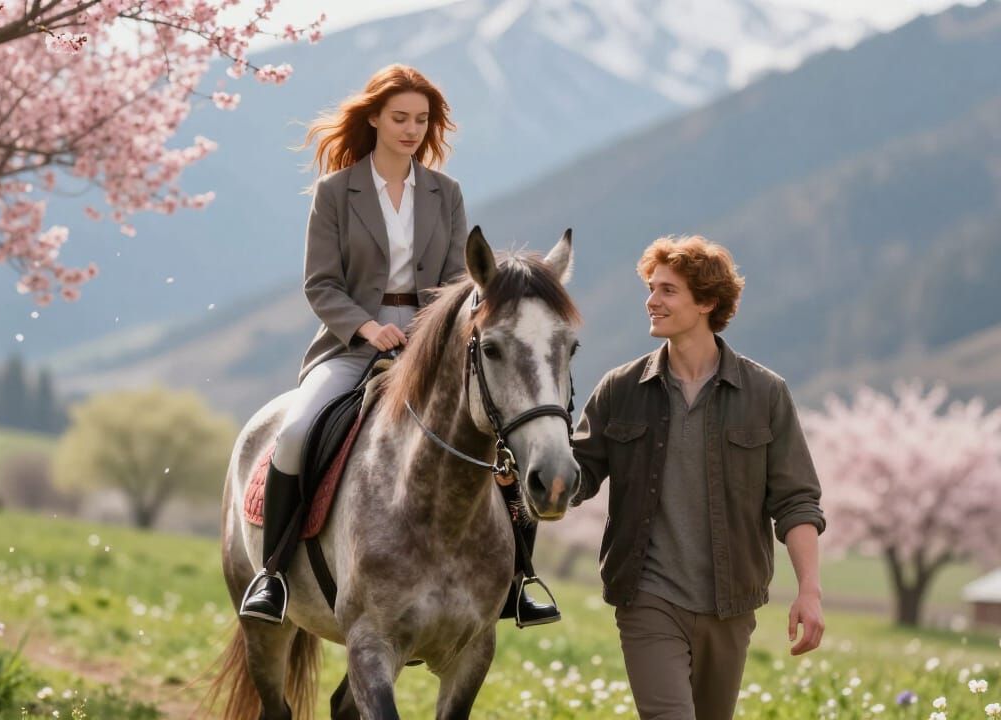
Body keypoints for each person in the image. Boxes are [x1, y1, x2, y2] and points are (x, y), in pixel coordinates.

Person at [240, 64, 559, 627]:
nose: (412, 129)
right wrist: (367, 328)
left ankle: (518, 580)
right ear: (375, 119)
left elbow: (453, 283)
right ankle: (274, 576)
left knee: (505, 444)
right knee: (292, 435)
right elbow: (321, 284)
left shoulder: (446, 193)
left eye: (422, 119)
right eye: (400, 118)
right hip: (349, 346)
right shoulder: (336, 192)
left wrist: (418, 335)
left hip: (428, 348)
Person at [570, 235, 826, 719]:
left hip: (729, 606)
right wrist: (520, 474)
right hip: (647, 597)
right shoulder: (620, 390)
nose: (652, 300)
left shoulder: (764, 393)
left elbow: (796, 502)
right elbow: (575, 476)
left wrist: (809, 591)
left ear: (707, 301)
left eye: (667, 290)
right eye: (651, 287)